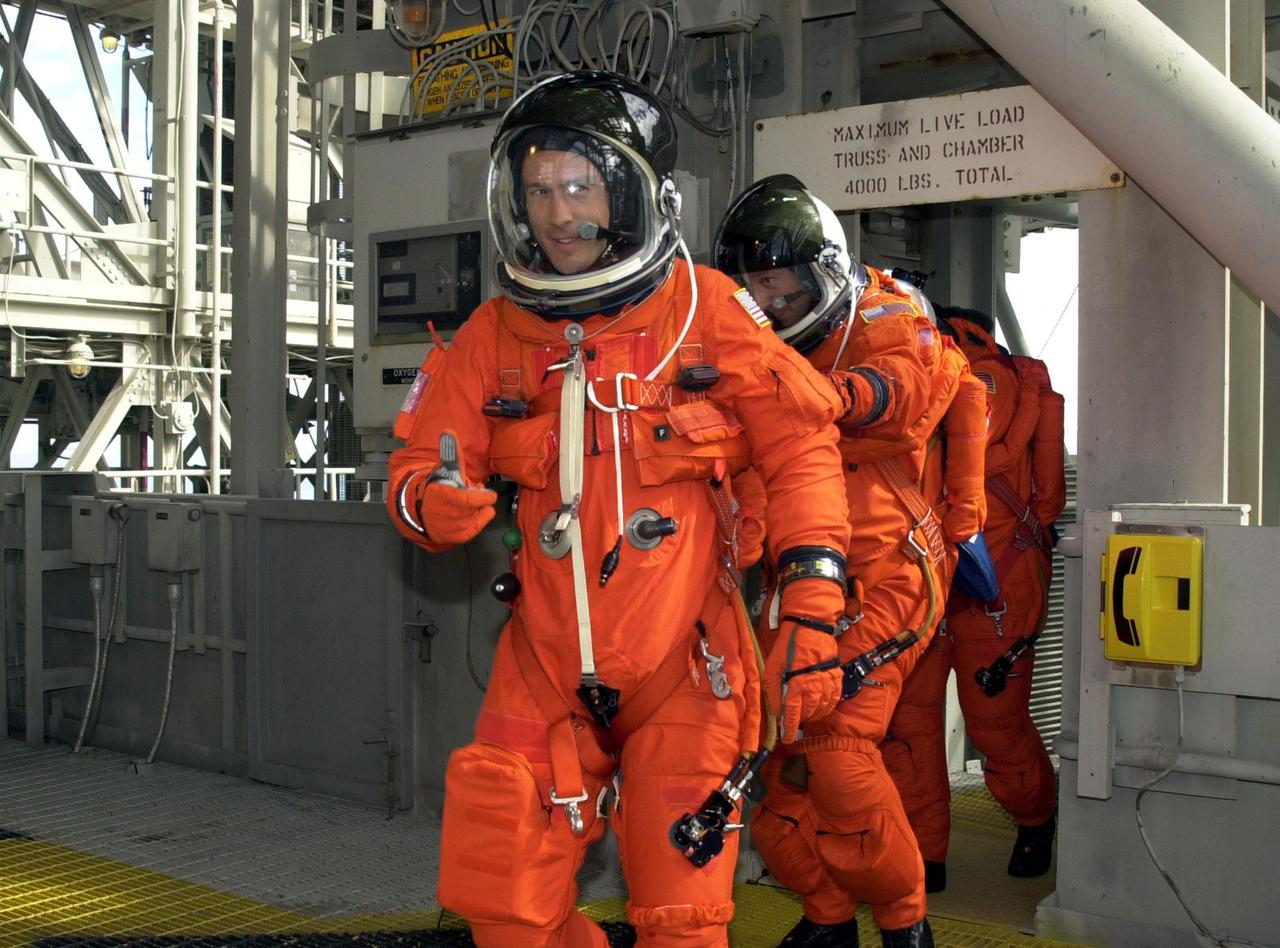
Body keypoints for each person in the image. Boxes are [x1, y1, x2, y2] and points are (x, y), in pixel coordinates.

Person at [387, 72, 852, 948]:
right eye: (536, 189)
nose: (557, 214)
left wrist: (815, 606)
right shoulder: (493, 336)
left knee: (681, 918)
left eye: (577, 186)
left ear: (631, 194)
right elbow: (419, 462)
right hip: (543, 665)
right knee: (502, 908)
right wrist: (430, 500)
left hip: (687, 666)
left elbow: (803, 453)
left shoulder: (706, 315)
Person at [714, 175, 986, 948]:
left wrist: (840, 398)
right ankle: (830, 918)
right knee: (780, 763)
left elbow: (920, 384)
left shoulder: (884, 314)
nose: (766, 300)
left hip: (890, 564)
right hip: (803, 565)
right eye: (754, 285)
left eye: (778, 283)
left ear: (821, 275)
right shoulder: (752, 338)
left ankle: (905, 925)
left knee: (835, 748)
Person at [885, 305, 1065, 892]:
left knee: (994, 726)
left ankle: (1036, 816)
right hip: (922, 575)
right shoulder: (902, 374)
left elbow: (977, 453)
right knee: (909, 727)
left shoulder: (988, 380)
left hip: (997, 577)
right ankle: (926, 856)